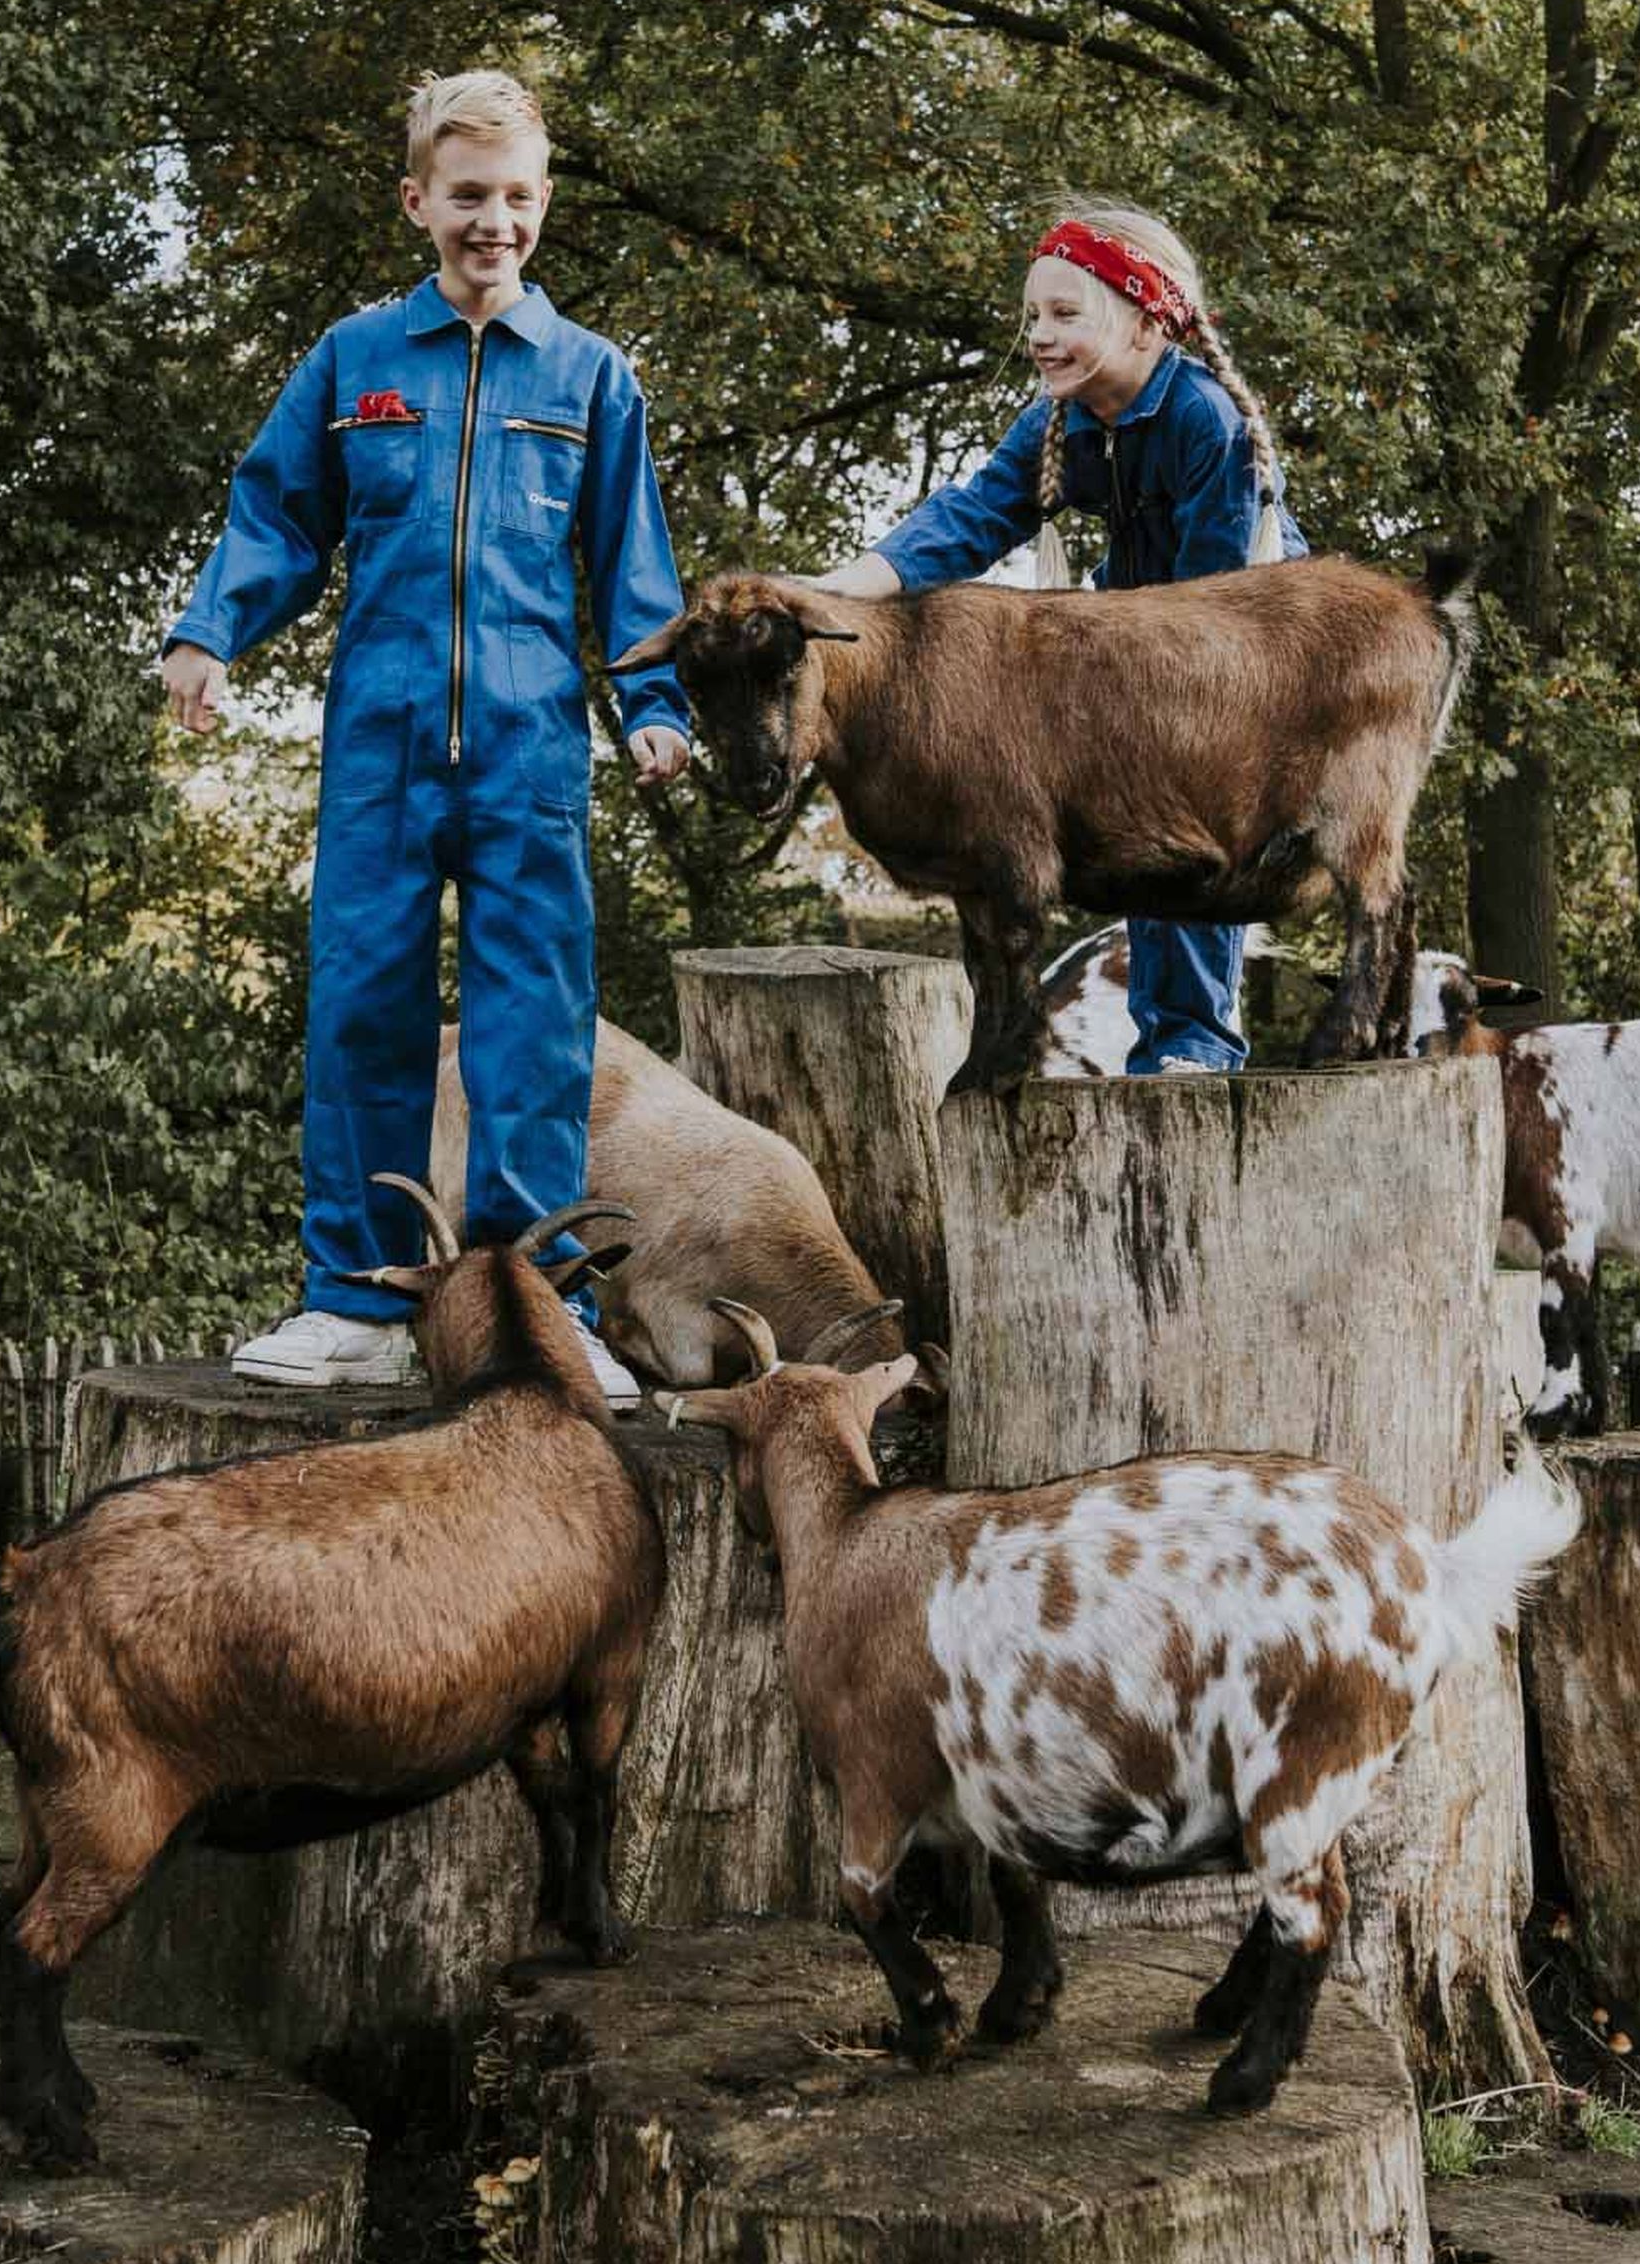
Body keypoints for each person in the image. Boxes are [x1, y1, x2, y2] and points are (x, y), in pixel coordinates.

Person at [159, 70, 691, 1400]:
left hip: (528, 753)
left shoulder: (589, 376)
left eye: (516, 197)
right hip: (382, 747)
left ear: (544, 204)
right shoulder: (355, 362)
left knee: (533, 1030)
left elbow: (633, 571)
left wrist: (658, 707)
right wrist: (211, 628)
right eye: (467, 196)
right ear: (418, 203)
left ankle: (531, 1309)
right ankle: (356, 1301)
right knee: (361, 1016)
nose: (492, 221)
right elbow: (278, 515)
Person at [810, 199, 1308, 1075]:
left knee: (1190, 834)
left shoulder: (1206, 423)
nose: (1040, 335)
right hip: (1138, 638)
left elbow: (1221, 602)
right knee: (1139, 837)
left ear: (1149, 323)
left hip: (1243, 647)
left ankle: (1195, 1041)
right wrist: (856, 582)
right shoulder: (1059, 422)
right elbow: (976, 513)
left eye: (1066, 314)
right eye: (1033, 315)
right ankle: (1160, 1041)